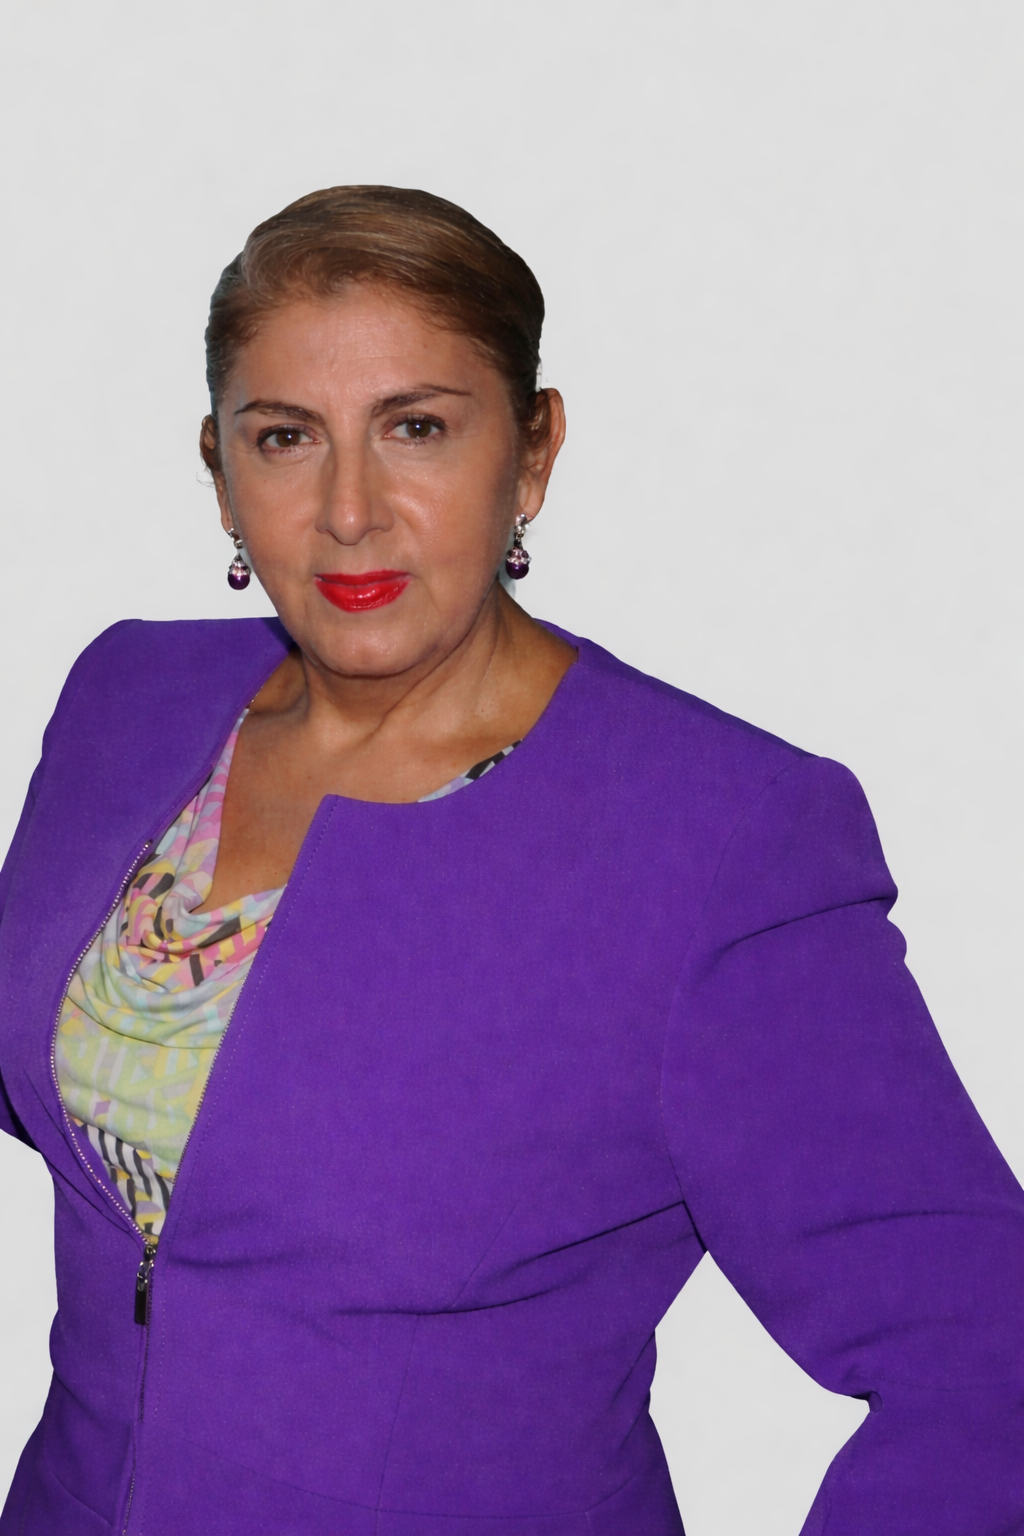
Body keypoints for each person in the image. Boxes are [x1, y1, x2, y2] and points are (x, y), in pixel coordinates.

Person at [0, 185, 1020, 1536]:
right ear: (220, 467)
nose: (349, 511)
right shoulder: (131, 700)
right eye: (286, 436)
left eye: (416, 427)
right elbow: (91, 1086)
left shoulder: (717, 840)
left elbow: (984, 1357)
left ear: (532, 455)